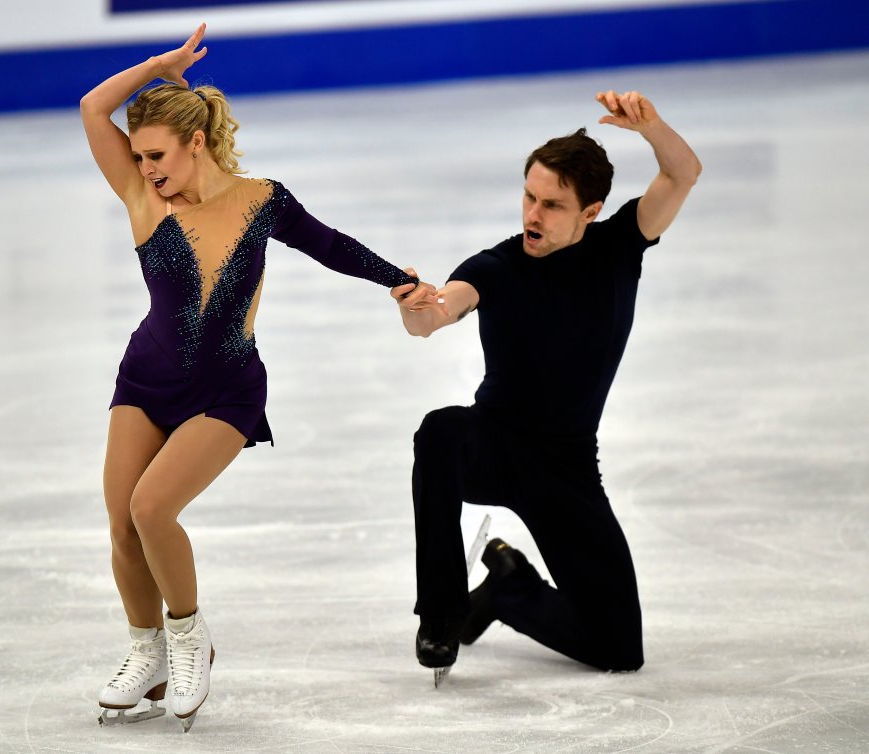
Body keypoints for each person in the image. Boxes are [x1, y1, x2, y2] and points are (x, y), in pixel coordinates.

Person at [79, 24, 425, 730]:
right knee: (120, 523)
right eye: (137, 155)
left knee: (152, 511)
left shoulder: (261, 200)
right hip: (144, 380)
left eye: (156, 155)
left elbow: (329, 244)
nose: (144, 168)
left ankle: (187, 638)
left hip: (227, 388)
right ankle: (144, 650)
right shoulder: (143, 200)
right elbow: (92, 108)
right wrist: (157, 66)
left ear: (195, 142)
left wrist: (395, 280)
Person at [392, 90, 701, 684]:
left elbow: (683, 172)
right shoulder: (496, 267)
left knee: (618, 649)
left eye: (553, 205)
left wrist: (652, 126)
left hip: (567, 469)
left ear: (591, 211)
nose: (532, 215)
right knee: (440, 430)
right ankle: (441, 611)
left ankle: (510, 590)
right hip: (492, 446)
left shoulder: (620, 246)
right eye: (529, 197)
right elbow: (436, 315)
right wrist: (415, 307)